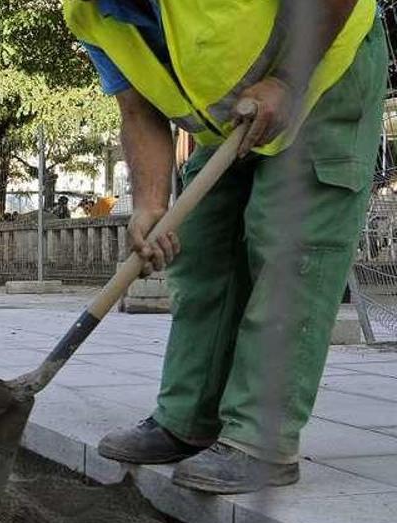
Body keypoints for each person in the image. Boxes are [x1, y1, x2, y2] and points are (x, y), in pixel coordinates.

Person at [66, 0, 384, 493]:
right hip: (233, 117)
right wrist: (150, 203)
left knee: (287, 247)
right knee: (202, 246)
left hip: (324, 70)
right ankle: (187, 419)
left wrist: (287, 80)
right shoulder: (88, 12)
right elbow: (137, 107)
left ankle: (260, 440)